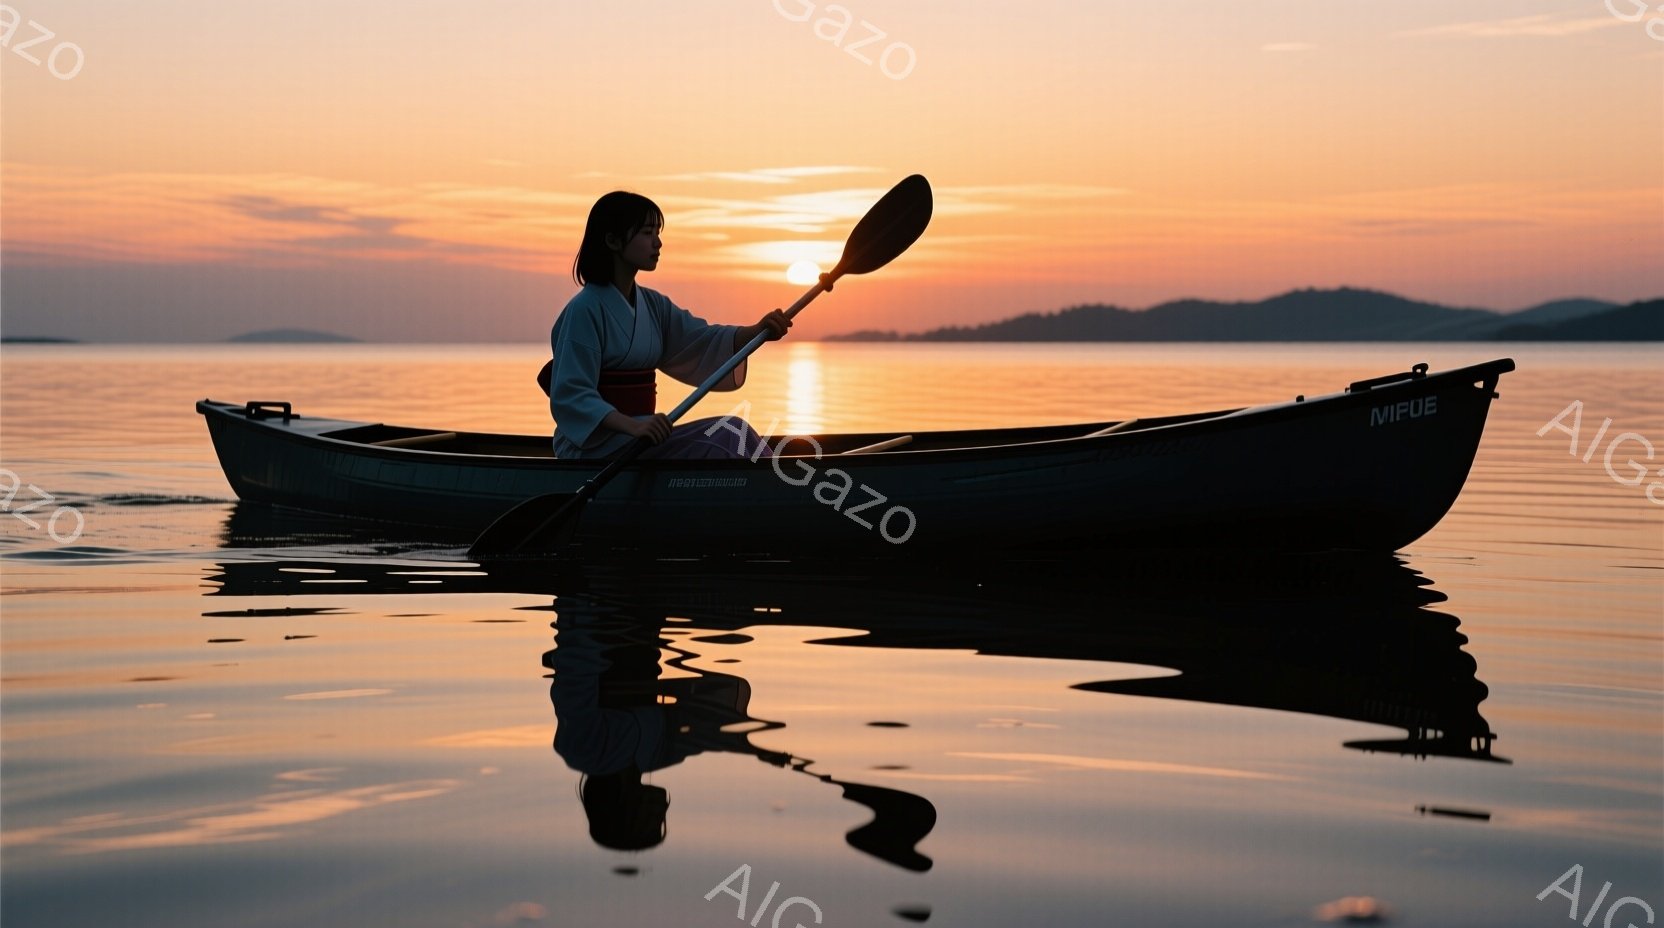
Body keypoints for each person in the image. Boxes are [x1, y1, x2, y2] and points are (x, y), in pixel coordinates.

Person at [545, 191, 790, 459]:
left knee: (736, 433)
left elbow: (701, 340)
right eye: (647, 233)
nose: (658, 242)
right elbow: (571, 394)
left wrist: (757, 332)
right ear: (613, 241)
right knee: (729, 434)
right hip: (594, 447)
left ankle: (772, 484)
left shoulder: (653, 305)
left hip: (639, 438)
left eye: (657, 233)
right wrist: (634, 425)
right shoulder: (584, 310)